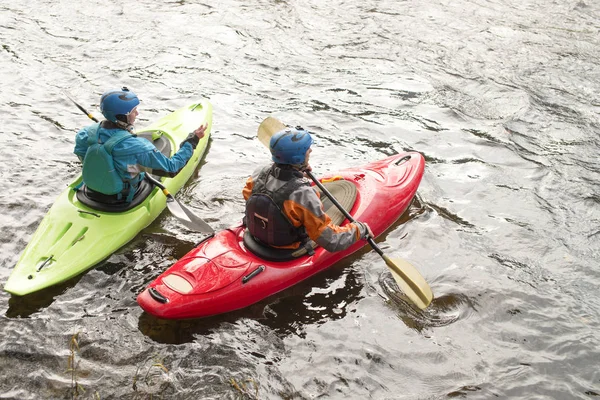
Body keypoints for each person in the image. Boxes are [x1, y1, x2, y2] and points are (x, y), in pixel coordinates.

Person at [243, 126, 373, 254]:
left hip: (256, 236)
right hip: (285, 248)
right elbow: (332, 241)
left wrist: (296, 173)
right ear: (297, 159)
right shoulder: (302, 194)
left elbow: (250, 197)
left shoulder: (259, 173)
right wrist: (360, 230)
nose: (310, 150)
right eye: (307, 149)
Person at [73, 87, 207, 203]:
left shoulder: (84, 134)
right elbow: (172, 168)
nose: (137, 113)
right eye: (133, 111)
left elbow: (83, 156)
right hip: (120, 197)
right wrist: (192, 140)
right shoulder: (139, 148)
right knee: (143, 166)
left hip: (91, 189)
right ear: (122, 117)